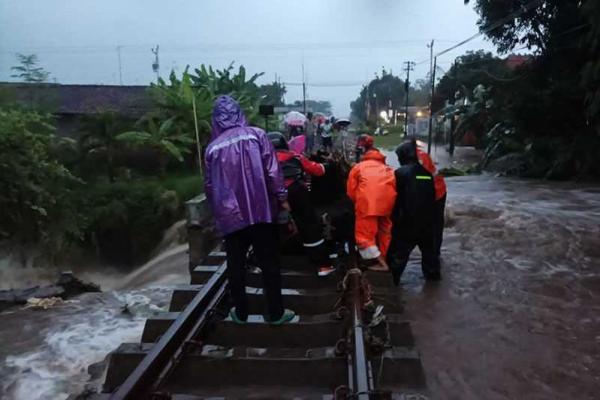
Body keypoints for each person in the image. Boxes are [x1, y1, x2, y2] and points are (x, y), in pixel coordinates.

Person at [204, 95, 295, 325]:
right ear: (238, 113)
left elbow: (210, 187)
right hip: (261, 210)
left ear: (216, 119)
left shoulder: (212, 149)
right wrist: (282, 198)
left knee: (235, 264)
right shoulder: (257, 135)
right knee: (269, 262)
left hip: (230, 217)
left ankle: (241, 312)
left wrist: (218, 215)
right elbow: (273, 172)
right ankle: (275, 313)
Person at [268, 132, 335, 277]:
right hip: (297, 191)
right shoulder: (296, 157)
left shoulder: (263, 161)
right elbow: (318, 171)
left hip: (272, 195)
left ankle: (273, 264)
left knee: (271, 228)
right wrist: (326, 165)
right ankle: (323, 265)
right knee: (309, 225)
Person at [387, 140, 441, 285]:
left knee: (397, 259)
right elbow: (432, 198)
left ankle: (392, 286)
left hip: (407, 224)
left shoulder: (400, 173)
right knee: (430, 258)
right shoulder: (427, 174)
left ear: (403, 156)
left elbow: (393, 198)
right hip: (427, 223)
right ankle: (433, 289)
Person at [346, 134, 396, 271]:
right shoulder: (388, 169)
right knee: (385, 232)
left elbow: (350, 192)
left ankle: (382, 264)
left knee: (364, 236)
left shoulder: (358, 168)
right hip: (387, 205)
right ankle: (385, 257)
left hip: (367, 205)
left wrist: (359, 203)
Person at [415, 141, 447, 256]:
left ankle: (434, 253)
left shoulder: (420, 161)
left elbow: (420, 182)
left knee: (434, 224)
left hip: (437, 192)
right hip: (434, 189)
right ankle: (432, 253)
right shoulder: (416, 157)